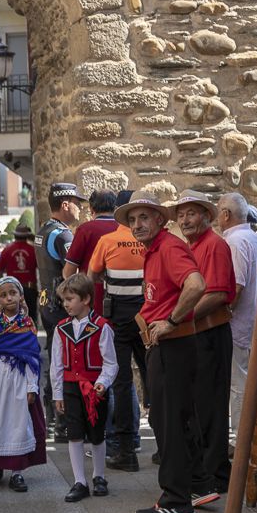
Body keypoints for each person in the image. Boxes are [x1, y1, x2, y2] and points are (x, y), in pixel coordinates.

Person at [115, 191, 209, 513]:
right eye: (132, 219)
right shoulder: (158, 248)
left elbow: (196, 285)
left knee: (167, 422)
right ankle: (196, 483)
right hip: (173, 345)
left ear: (159, 219)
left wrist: (170, 321)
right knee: (179, 417)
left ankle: (176, 500)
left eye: (144, 217)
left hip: (172, 345)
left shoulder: (168, 247)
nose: (137, 224)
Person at [169, 190, 235, 493]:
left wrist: (181, 316)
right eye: (181, 215)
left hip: (210, 332)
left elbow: (218, 294)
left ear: (206, 216)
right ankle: (206, 472)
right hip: (197, 332)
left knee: (211, 407)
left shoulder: (215, 245)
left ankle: (216, 474)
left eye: (191, 213)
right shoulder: (193, 246)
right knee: (198, 405)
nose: (184, 220)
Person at [87, 190, 146, 472]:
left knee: (122, 384)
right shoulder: (150, 241)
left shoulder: (108, 241)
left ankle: (126, 450)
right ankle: (167, 445)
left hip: (119, 318)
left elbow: (92, 276)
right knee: (156, 380)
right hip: (148, 316)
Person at [0, 276, 45, 492]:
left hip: (17, 380)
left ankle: (17, 473)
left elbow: (32, 358)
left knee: (17, 423)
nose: (9, 297)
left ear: (21, 296)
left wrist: (32, 387)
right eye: (3, 295)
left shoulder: (27, 325)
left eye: (13, 293)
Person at [51, 273, 117, 503]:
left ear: (86, 299)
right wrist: (57, 393)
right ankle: (80, 481)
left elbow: (111, 363)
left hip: (94, 390)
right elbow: (56, 364)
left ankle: (99, 476)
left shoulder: (102, 327)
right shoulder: (61, 329)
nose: (66, 304)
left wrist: (103, 382)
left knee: (97, 433)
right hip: (70, 388)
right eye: (64, 300)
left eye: (70, 299)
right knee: (74, 434)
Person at [36, 183, 86, 442]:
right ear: (65, 205)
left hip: (47, 304)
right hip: (62, 308)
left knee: (55, 360)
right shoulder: (64, 235)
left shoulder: (44, 230)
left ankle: (54, 420)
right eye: (78, 202)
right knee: (67, 363)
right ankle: (64, 422)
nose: (81, 207)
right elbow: (73, 276)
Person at [217, 192, 257, 447]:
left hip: (238, 322)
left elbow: (236, 285)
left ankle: (239, 439)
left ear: (226, 215)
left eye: (218, 213)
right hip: (252, 317)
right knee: (243, 380)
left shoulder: (235, 241)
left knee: (238, 383)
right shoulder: (253, 237)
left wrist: (224, 312)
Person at [63, 189, 118, 314]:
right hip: (122, 297)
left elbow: (68, 272)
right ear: (115, 207)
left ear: (91, 209)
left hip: (92, 298)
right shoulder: (124, 229)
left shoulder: (85, 230)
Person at [0, 223, 38, 316]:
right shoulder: (34, 250)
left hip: (12, 291)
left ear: (14, 235)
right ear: (27, 236)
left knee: (13, 318)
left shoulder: (6, 250)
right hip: (30, 289)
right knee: (31, 318)